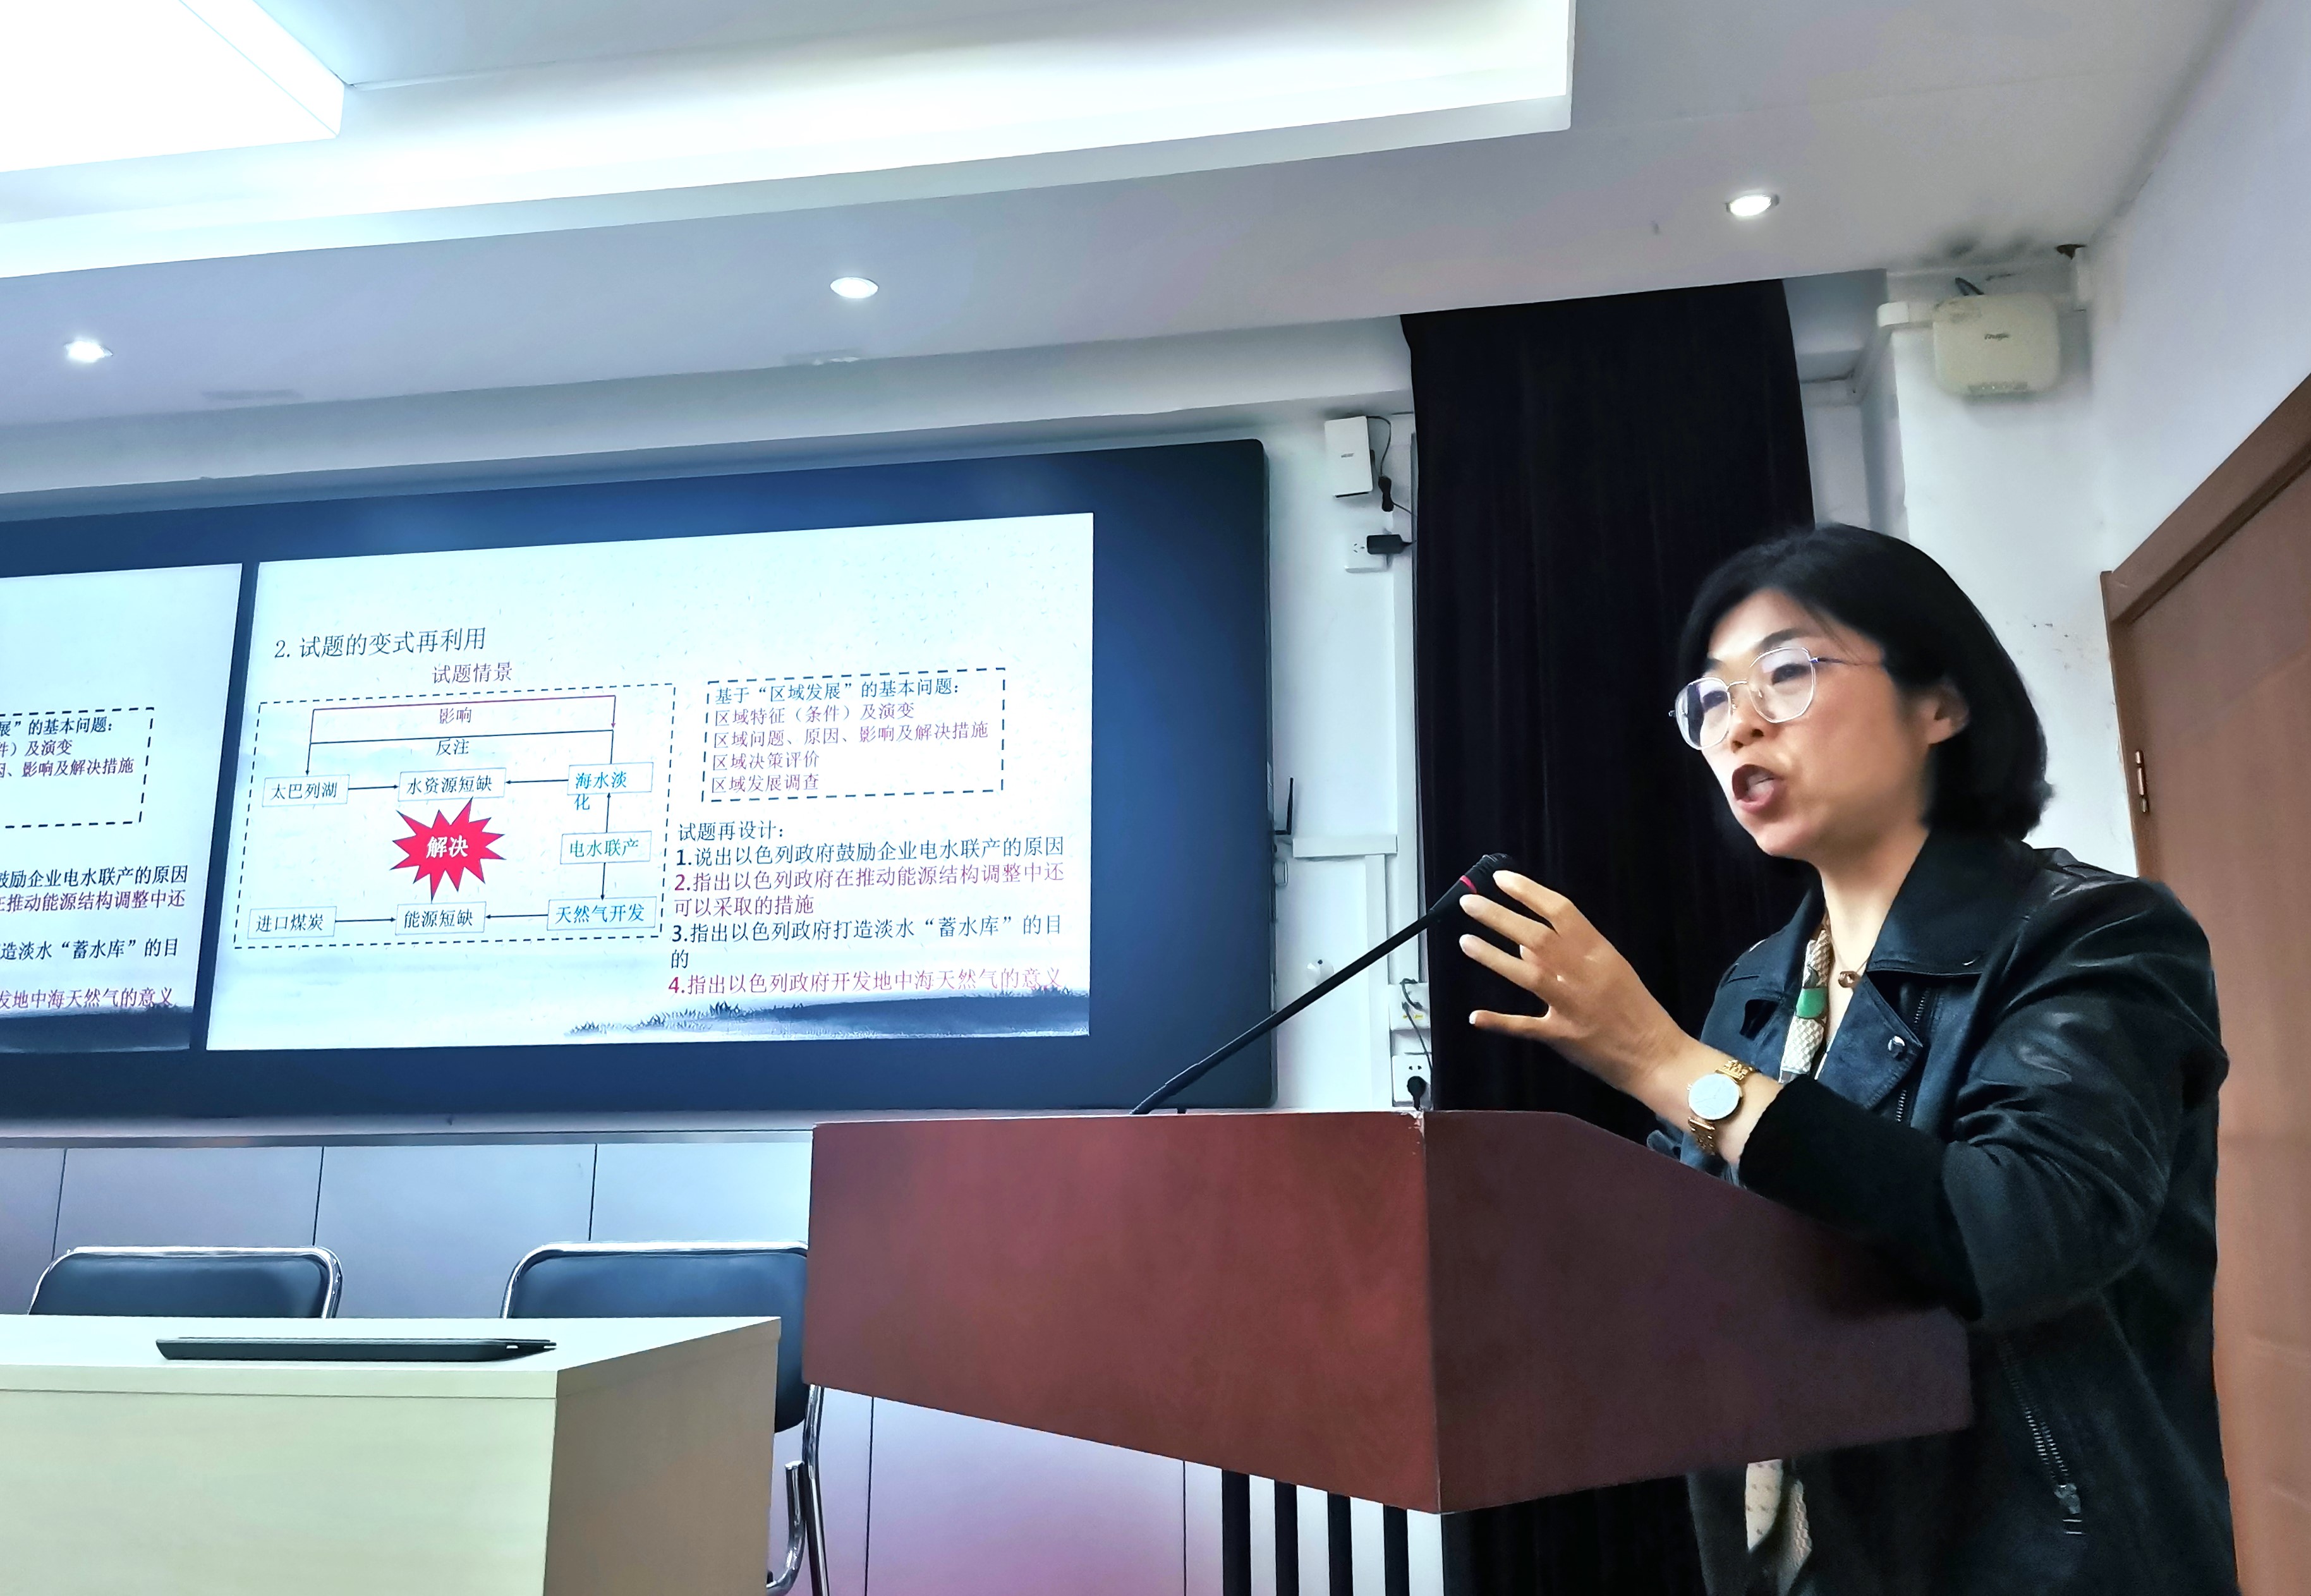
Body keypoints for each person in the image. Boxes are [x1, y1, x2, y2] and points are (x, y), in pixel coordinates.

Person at [1454, 524, 2236, 1595]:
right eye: (1710, 699)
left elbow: (2020, 1228)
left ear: (1939, 703)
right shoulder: (1759, 982)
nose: (1737, 724)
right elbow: (1692, 1253)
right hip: (1792, 1557)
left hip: (2043, 1560)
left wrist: (1659, 1060)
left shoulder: (2093, 934)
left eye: (1785, 672)